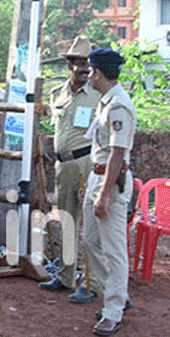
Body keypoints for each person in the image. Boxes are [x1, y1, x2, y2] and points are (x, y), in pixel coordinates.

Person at [40, 36, 101, 302]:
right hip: (63, 164)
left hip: (87, 161)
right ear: (69, 64)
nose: (85, 68)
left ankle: (91, 282)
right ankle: (65, 276)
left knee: (91, 225)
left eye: (88, 63)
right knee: (66, 219)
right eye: (80, 62)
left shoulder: (99, 94)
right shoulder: (57, 94)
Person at [83, 48, 136, 337]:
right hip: (98, 175)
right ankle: (119, 293)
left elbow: (118, 153)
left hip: (111, 181)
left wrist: (103, 195)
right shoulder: (105, 102)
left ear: (98, 73)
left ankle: (113, 310)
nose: (89, 75)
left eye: (91, 71)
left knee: (114, 249)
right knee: (90, 240)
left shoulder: (118, 105)